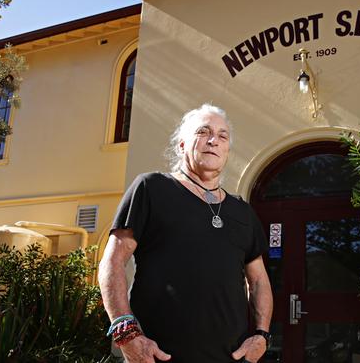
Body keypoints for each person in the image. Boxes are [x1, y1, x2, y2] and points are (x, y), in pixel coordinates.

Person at [99, 104, 273, 363]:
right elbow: (112, 262)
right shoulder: (151, 188)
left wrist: (261, 336)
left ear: (227, 151)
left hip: (230, 357)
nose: (213, 140)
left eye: (222, 136)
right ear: (182, 145)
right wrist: (127, 334)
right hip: (157, 357)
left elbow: (258, 281)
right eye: (203, 132)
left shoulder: (242, 212)